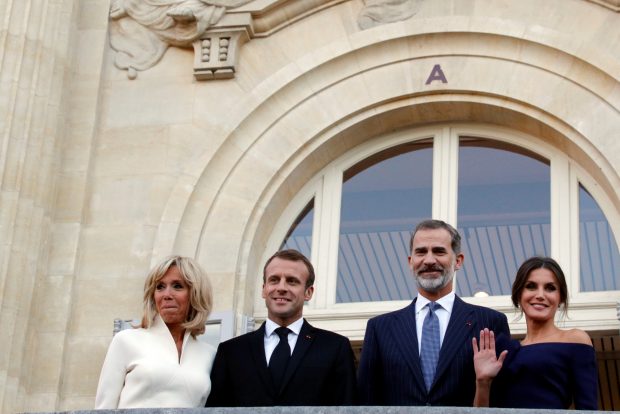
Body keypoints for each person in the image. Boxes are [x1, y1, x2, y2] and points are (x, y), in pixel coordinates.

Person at [358, 219, 510, 406]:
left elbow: (502, 399)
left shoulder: (490, 323)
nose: (429, 260)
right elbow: (365, 401)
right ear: (410, 261)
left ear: (458, 261)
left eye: (439, 251)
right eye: (421, 252)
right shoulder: (380, 329)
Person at [206, 249, 357, 406]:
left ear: (308, 292)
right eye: (274, 280)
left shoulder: (335, 347)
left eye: (292, 281)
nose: (282, 287)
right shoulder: (231, 351)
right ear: (264, 289)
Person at [473, 256, 598, 409]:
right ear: (519, 295)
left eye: (550, 288)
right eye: (531, 286)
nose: (540, 295)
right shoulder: (503, 350)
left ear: (561, 298)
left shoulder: (575, 339)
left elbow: (588, 408)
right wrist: (483, 381)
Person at [95, 256, 216, 408]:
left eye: (177, 286)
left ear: (196, 294)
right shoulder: (126, 340)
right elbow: (104, 408)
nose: (166, 295)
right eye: (160, 287)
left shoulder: (209, 354)